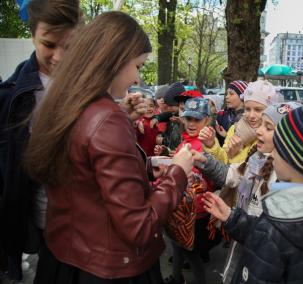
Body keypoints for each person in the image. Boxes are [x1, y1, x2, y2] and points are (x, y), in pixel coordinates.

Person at [23, 11, 194, 283]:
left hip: (64, 258)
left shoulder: (66, 103)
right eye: (138, 66)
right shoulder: (106, 119)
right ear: (115, 59)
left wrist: (146, 168)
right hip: (109, 268)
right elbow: (139, 226)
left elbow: (85, 171)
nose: (137, 80)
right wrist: (178, 173)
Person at [202, 103, 303, 283]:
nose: (273, 156)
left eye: (280, 150)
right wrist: (231, 217)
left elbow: (266, 241)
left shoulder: (282, 218)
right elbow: (262, 230)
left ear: (300, 160)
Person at [0, 0, 82, 280]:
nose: (59, 57)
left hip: (86, 217)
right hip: (45, 219)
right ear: (32, 34)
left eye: (68, 46)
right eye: (49, 44)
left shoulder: (88, 84)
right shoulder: (10, 97)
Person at [194, 102, 301, 283]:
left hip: (261, 257)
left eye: (268, 128)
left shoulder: (286, 180)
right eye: (260, 125)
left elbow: (270, 234)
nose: (258, 131)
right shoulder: (257, 158)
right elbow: (231, 175)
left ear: (289, 138)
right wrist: (204, 161)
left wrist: (230, 216)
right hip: (242, 241)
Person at [163, 98, 214, 284]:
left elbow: (215, 177)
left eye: (197, 120)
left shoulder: (208, 145)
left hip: (196, 210)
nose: (191, 124)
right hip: (180, 205)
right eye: (188, 119)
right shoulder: (184, 141)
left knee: (190, 252)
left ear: (207, 120)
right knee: (177, 246)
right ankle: (177, 278)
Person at [200, 79, 277, 164]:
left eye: (258, 110)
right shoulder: (235, 129)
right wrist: (212, 145)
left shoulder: (272, 136)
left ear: (269, 110)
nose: (251, 115)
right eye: (247, 109)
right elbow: (223, 161)